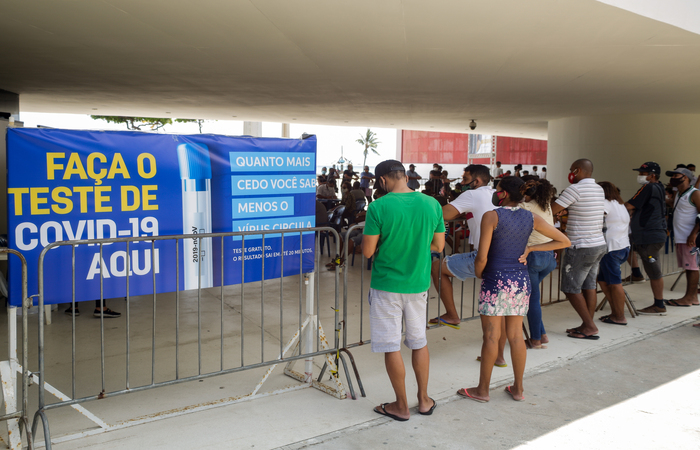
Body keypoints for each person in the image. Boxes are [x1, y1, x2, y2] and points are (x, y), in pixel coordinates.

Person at [457, 177, 569, 403]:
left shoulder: (492, 216)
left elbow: (482, 256)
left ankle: (482, 390)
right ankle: (518, 389)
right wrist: (531, 248)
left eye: (498, 189)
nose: (495, 192)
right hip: (520, 281)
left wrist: (480, 272)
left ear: (504, 193)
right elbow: (564, 241)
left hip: (495, 280)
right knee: (516, 336)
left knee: (491, 336)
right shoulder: (531, 217)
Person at [363, 159, 445, 421]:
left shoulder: (378, 207)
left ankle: (400, 405)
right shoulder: (432, 204)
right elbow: (439, 246)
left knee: (392, 346)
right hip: (418, 285)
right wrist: (418, 248)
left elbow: (367, 251)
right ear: (405, 176)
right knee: (418, 342)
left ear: (383, 180)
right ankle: (423, 400)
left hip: (386, 286)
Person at [430, 165, 494, 328]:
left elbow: (443, 214)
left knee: (437, 267)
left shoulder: (472, 194)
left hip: (485, 255)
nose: (462, 182)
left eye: (465, 179)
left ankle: (452, 314)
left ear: (477, 181)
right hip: (508, 256)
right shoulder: (495, 194)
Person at [551, 159, 606, 339]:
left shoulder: (574, 189)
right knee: (589, 286)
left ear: (577, 170)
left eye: (571, 170)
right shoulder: (599, 189)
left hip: (580, 246)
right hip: (597, 244)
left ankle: (589, 326)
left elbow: (552, 210)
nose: (570, 174)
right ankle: (586, 324)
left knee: (570, 287)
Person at [625, 162, 668, 315]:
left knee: (654, 272)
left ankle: (659, 304)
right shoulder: (659, 187)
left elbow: (630, 205)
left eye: (644, 173)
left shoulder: (648, 187)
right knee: (629, 248)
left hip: (649, 235)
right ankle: (636, 273)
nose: (641, 176)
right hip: (649, 234)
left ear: (652, 175)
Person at [520, 179, 558, 348]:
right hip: (549, 257)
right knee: (532, 297)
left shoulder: (526, 207)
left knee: (532, 299)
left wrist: (520, 193)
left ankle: (535, 339)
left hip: (534, 257)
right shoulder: (546, 205)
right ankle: (541, 334)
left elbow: (507, 206)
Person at [597, 181, 631, 325]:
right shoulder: (620, 204)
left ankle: (620, 316)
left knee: (615, 283)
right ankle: (615, 312)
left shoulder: (605, 204)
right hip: (623, 247)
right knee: (603, 280)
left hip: (611, 249)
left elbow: (596, 217)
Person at [665, 168, 700, 306]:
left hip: (689, 238)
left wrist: (693, 234)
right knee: (689, 267)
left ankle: (688, 298)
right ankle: (692, 298)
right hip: (681, 237)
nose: (672, 178)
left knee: (692, 268)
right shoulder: (679, 193)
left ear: (685, 177)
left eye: (675, 175)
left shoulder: (694, 193)